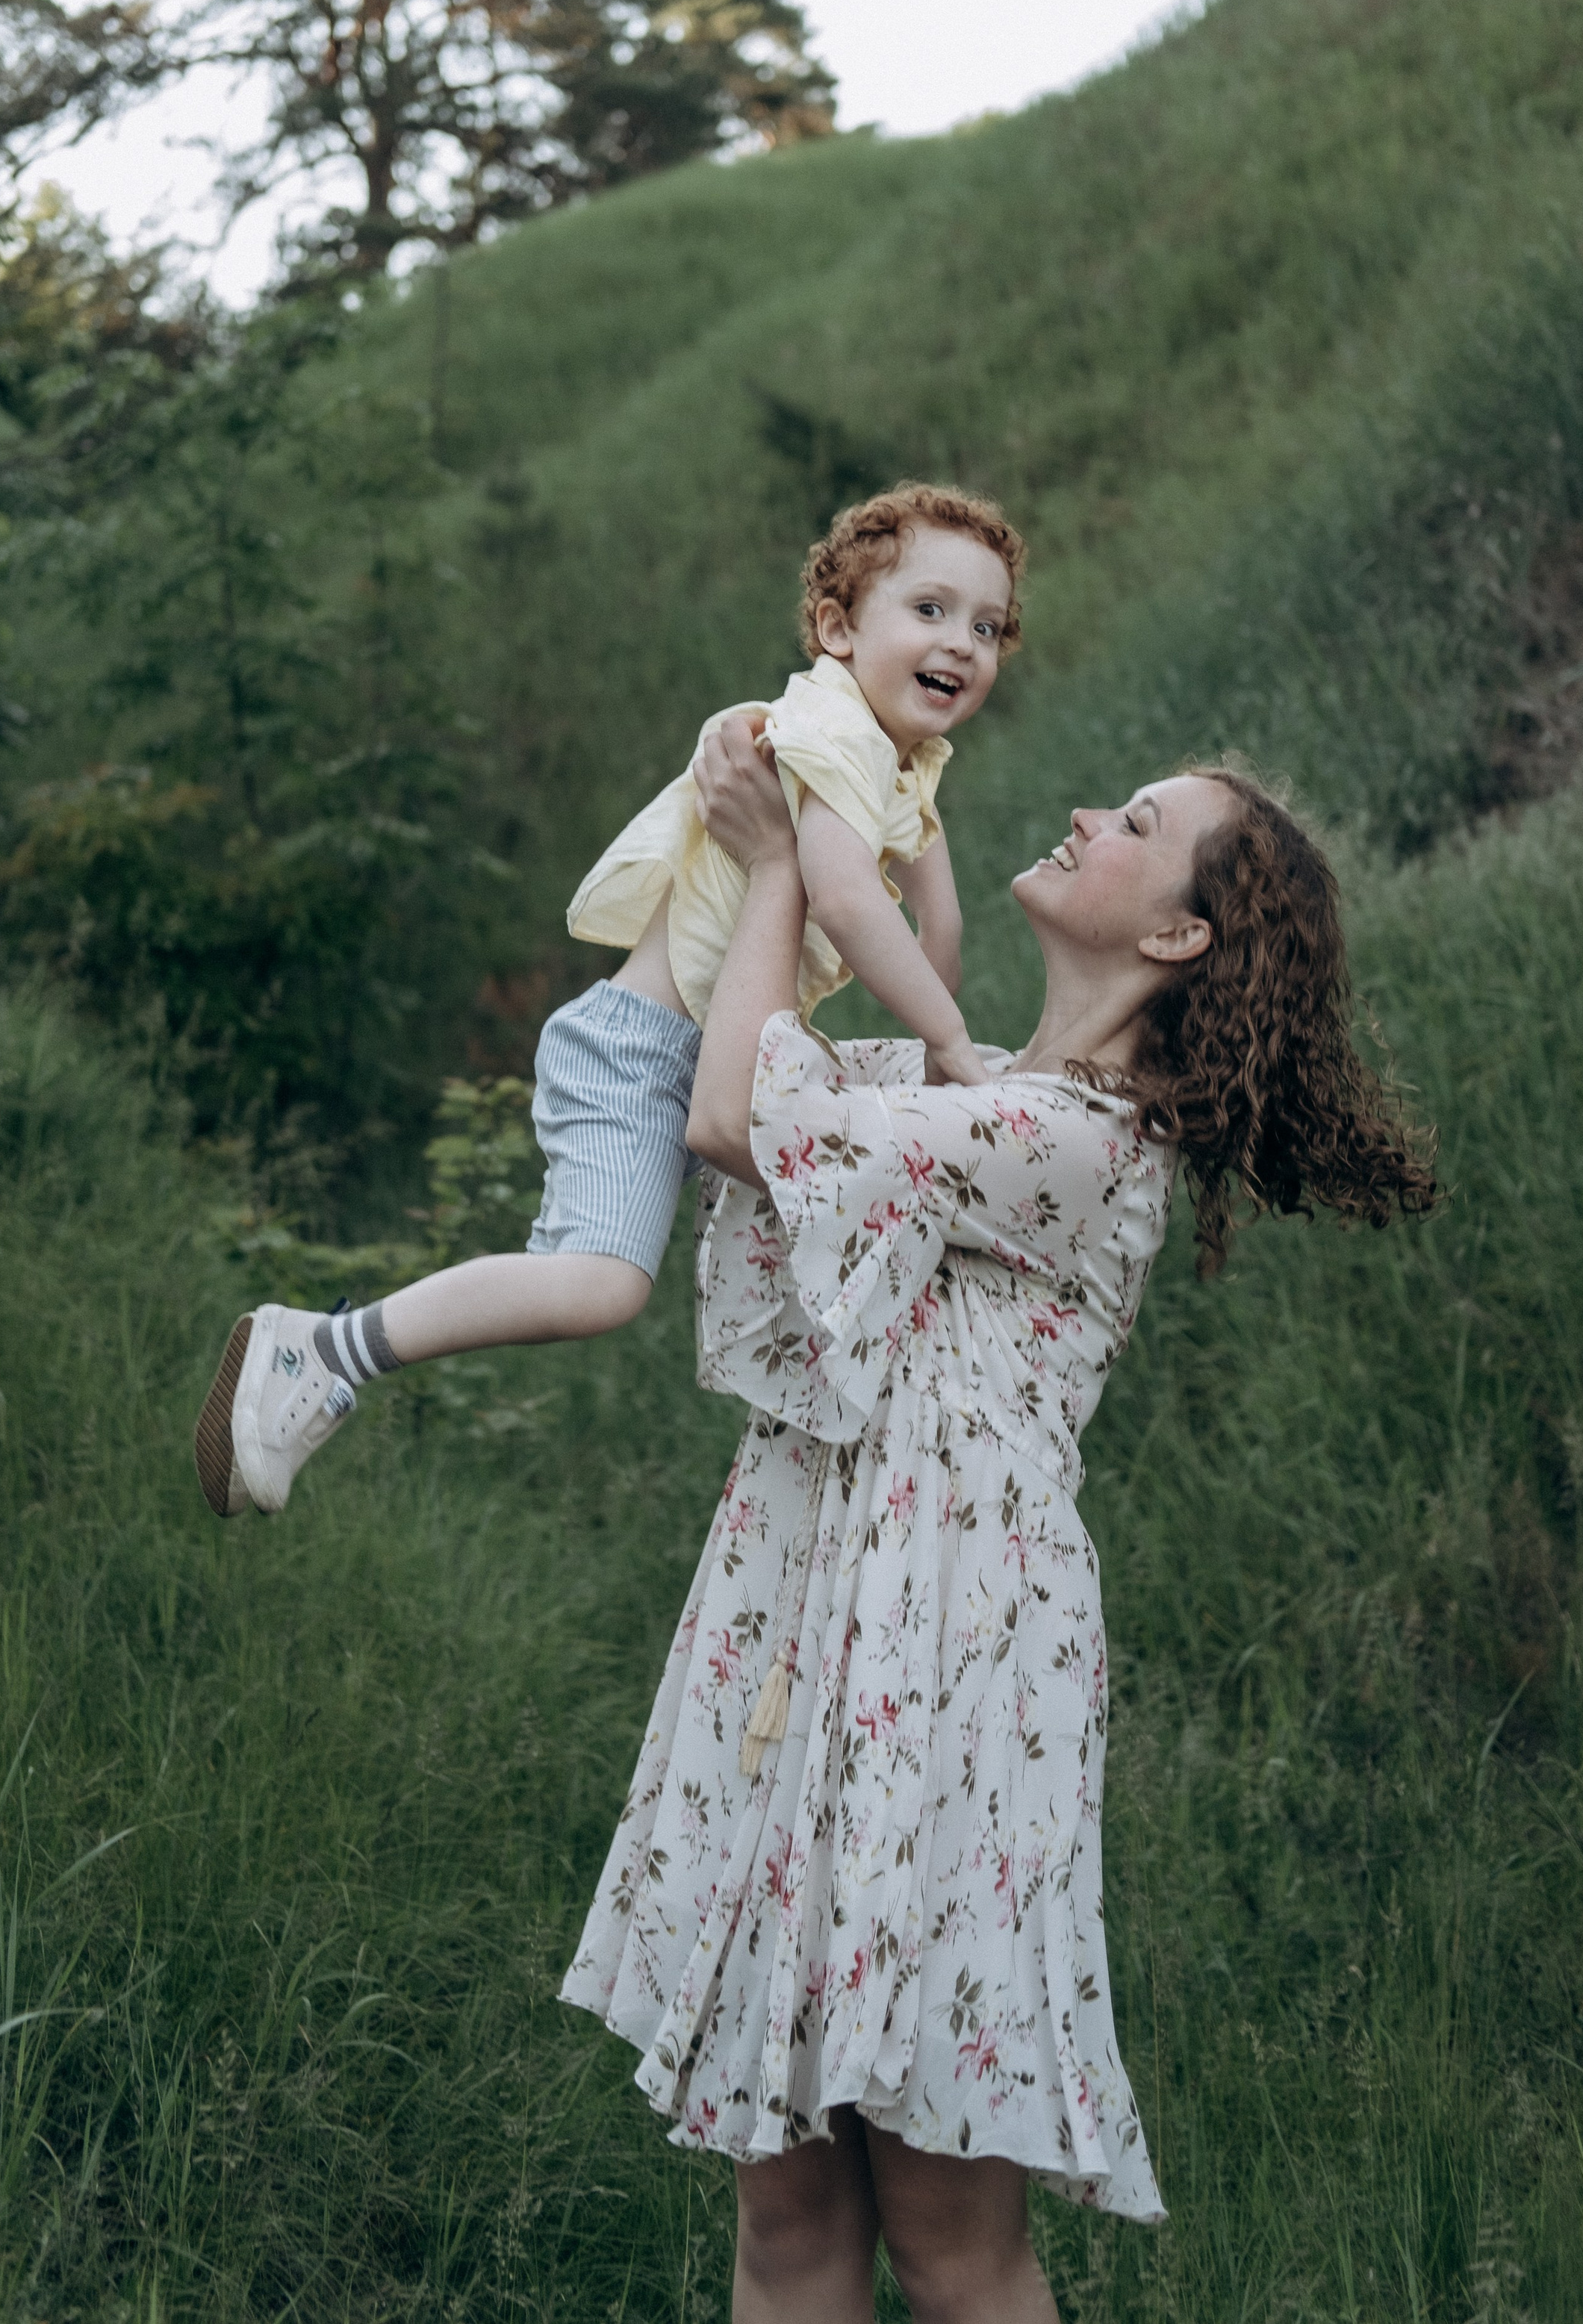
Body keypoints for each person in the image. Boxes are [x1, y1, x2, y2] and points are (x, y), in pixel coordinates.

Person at [561, 718, 1437, 2324]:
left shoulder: (1084, 1140)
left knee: (953, 2243)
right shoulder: (957, 1085)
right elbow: (753, 1063)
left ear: (1174, 931)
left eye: (1140, 821)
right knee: (786, 2215)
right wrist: (829, 810)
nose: (1094, 811)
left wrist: (775, 861)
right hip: (806, 1618)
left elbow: (737, 1120)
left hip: (952, 1664)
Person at [193, 483, 1025, 1520]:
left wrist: (939, 983)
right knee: (598, 1283)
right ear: (837, 628)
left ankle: (871, 1485)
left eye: (988, 627)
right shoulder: (832, 732)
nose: (965, 642)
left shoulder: (892, 760)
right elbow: (854, 904)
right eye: (932, 610)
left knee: (841, 1203)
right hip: (645, 1050)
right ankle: (318, 1352)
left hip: (711, 1050)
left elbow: (928, 936)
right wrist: (947, 1040)